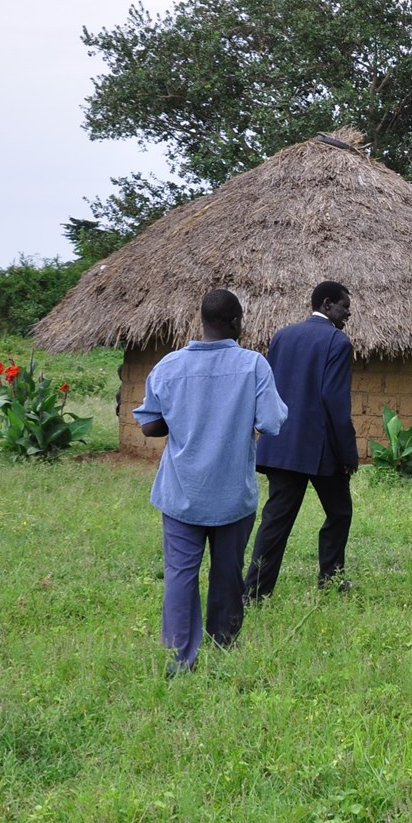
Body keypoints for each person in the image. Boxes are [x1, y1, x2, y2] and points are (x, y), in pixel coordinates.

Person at [134, 289, 287, 676]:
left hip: (181, 492)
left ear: (200, 320)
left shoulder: (168, 366)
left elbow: (149, 424)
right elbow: (271, 422)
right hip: (232, 493)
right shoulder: (254, 365)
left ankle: (179, 660)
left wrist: (181, 418)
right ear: (236, 322)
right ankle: (224, 646)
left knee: (181, 575)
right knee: (226, 572)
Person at [245, 281, 360, 600]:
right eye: (344, 307)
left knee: (275, 521)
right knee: (339, 514)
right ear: (327, 304)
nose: (347, 315)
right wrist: (348, 453)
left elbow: (268, 389)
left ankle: (253, 592)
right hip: (321, 451)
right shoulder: (337, 341)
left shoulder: (283, 335)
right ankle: (331, 581)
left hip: (281, 446)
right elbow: (334, 400)